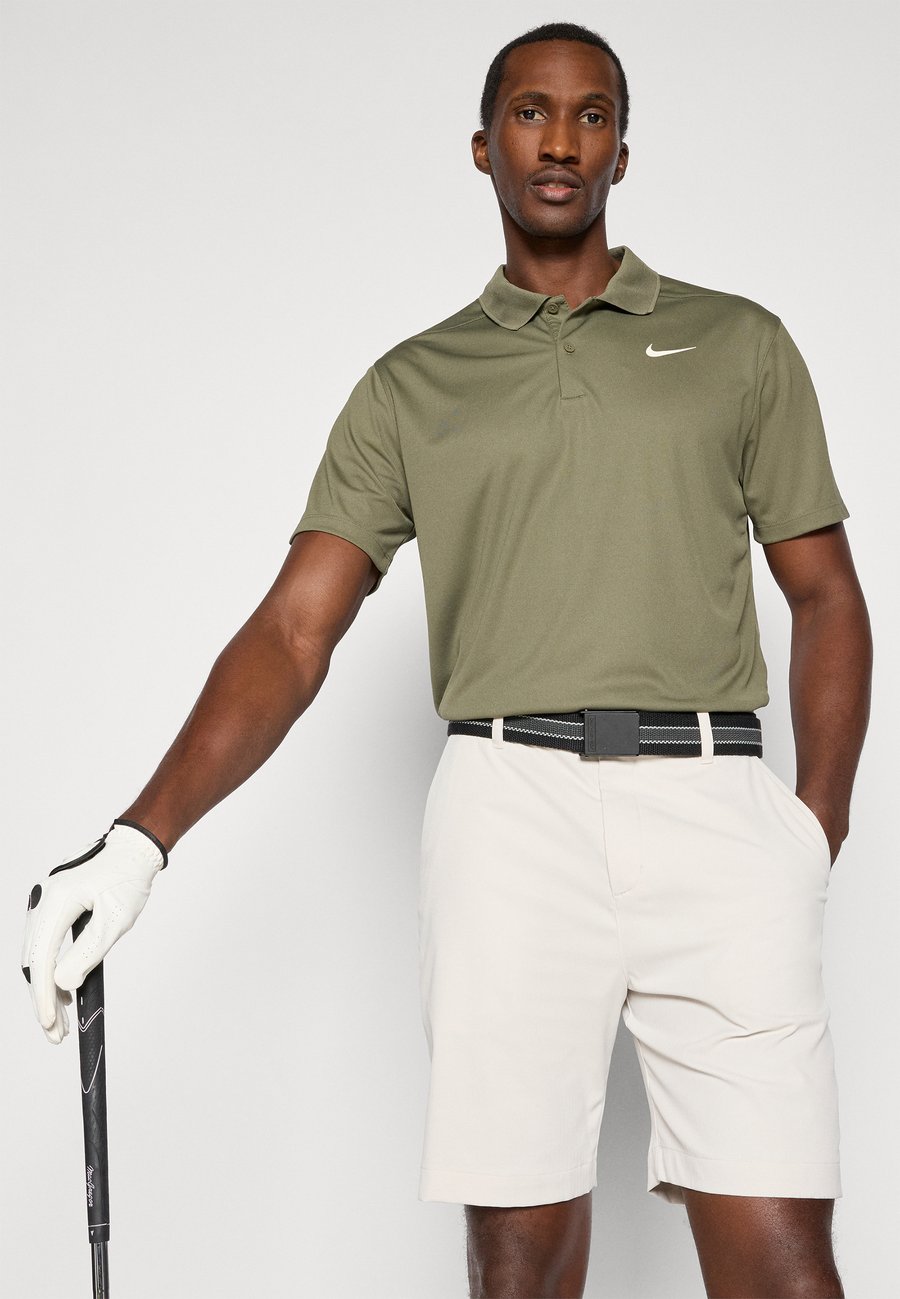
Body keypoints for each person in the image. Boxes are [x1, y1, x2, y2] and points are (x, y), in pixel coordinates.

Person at [21, 19, 872, 1299]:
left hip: (717, 807)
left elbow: (826, 595)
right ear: (483, 146)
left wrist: (816, 827)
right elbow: (293, 632)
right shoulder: (414, 384)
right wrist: (142, 840)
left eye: (591, 116)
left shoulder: (737, 345)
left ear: (624, 152)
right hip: (508, 816)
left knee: (784, 1263)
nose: (561, 140)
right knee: (517, 1261)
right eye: (532, 112)